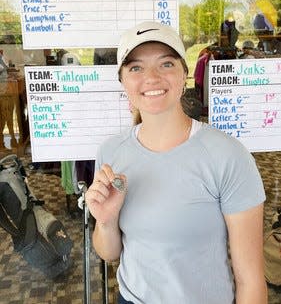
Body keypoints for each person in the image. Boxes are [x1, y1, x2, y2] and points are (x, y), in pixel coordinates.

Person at [85, 21, 267, 304]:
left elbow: (251, 280)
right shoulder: (111, 152)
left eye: (166, 64)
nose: (152, 77)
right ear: (122, 82)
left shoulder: (228, 155)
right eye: (135, 68)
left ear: (184, 75)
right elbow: (110, 253)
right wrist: (106, 223)